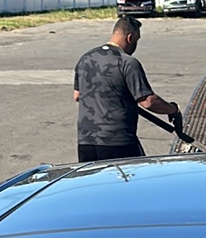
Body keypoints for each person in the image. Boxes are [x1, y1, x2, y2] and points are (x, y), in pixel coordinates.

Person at [73, 15, 179, 162]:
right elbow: (148, 102)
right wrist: (172, 109)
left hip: (86, 141)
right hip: (118, 141)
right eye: (137, 40)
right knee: (132, 176)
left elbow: (77, 95)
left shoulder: (86, 58)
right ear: (130, 38)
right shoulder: (127, 62)